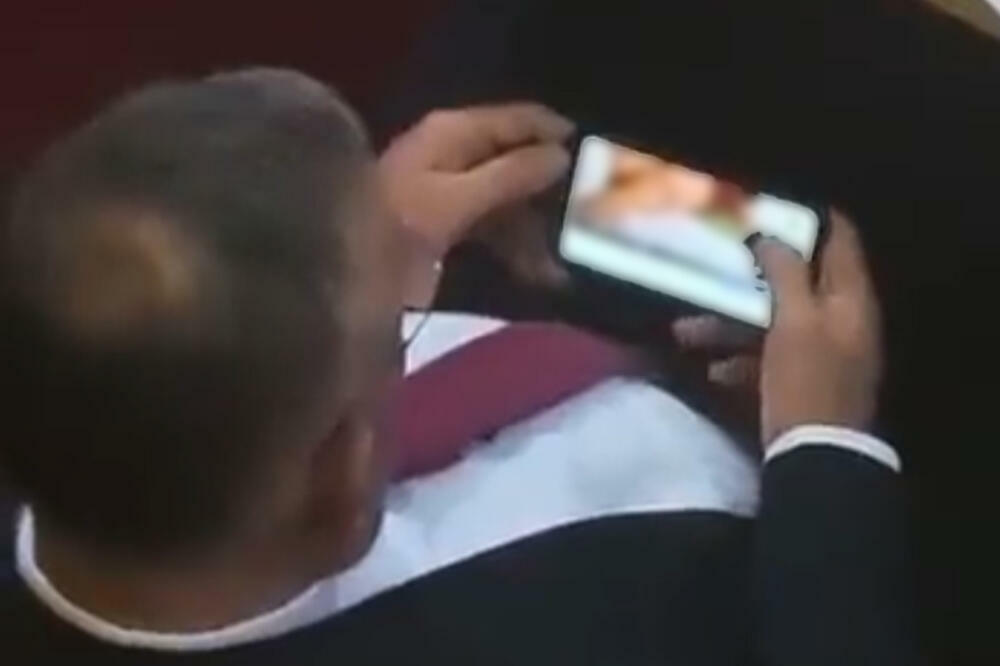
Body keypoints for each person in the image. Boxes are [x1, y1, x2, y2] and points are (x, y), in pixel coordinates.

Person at [0, 69, 913, 665]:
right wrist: (824, 452)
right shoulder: (635, 627)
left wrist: (351, 226)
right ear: (342, 479)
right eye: (388, 330)